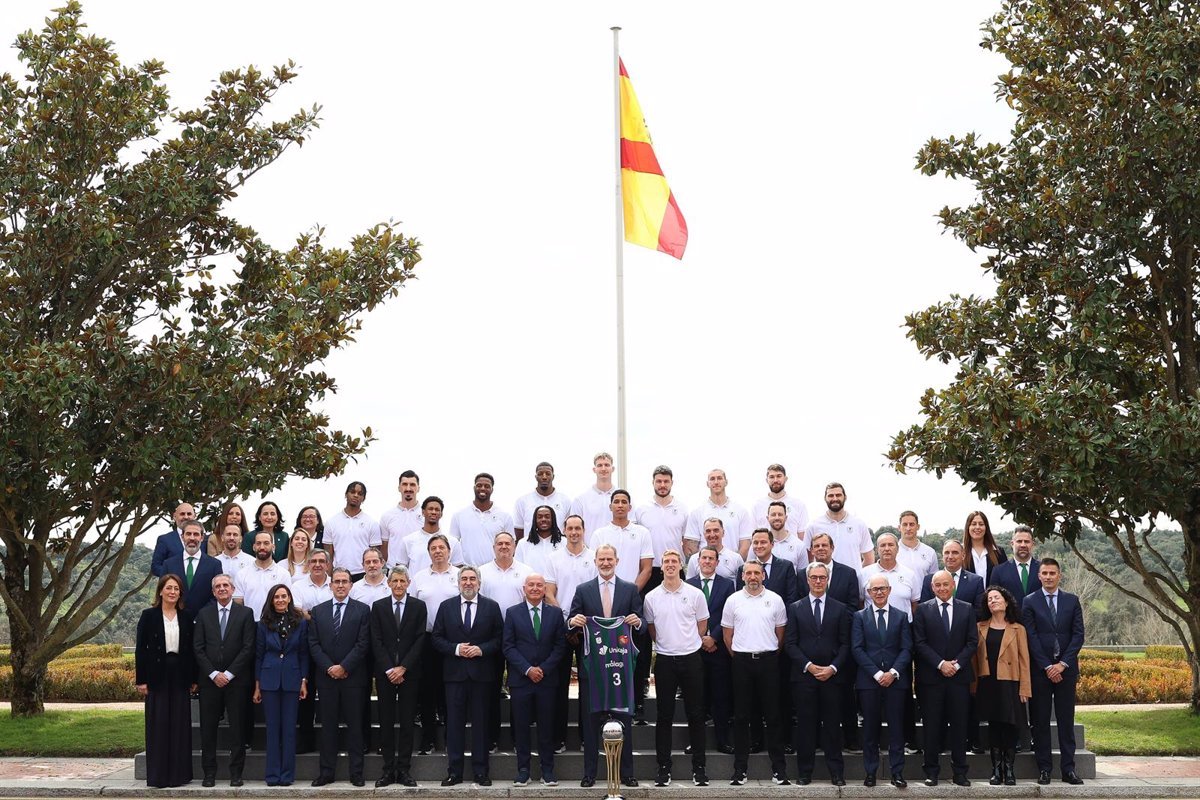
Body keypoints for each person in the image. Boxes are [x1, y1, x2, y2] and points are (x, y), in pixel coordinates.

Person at [567, 544, 643, 789]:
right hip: (593, 669)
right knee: (591, 724)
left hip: (621, 669)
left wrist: (637, 621)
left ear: (617, 560)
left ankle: (627, 773)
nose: (606, 563)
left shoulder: (630, 589)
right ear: (595, 561)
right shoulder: (583, 589)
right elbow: (572, 622)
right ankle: (590, 773)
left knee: (624, 722)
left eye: (610, 559)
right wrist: (573, 621)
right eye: (602, 559)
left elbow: (640, 622)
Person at [431, 566, 505, 787]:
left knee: (481, 725)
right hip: (454, 676)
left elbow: (499, 638)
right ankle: (455, 772)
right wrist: (456, 649)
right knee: (454, 725)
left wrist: (481, 649)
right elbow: (436, 638)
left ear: (479, 583)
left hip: (481, 676)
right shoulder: (446, 607)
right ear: (458, 583)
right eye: (464, 579)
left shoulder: (492, 607)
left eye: (473, 579)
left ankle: (481, 771)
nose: (468, 582)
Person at [644, 549, 709, 787]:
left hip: (691, 659)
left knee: (696, 714)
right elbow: (652, 628)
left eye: (674, 561)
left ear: (680, 565)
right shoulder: (651, 597)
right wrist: (668, 644)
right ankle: (663, 768)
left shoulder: (695, 594)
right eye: (666, 561)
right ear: (661, 567)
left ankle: (699, 768)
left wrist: (688, 643)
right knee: (664, 716)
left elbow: (702, 625)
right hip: (664, 661)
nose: (670, 565)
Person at [587, 488, 653, 721]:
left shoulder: (642, 532)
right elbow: (594, 565)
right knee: (606, 657)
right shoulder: (599, 534)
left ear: (630, 506)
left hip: (629, 598)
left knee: (634, 655)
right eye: (616, 501)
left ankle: (636, 704)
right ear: (611, 506)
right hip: (604, 602)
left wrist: (629, 592)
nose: (620, 505)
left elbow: (646, 567)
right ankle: (605, 705)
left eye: (625, 501)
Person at [722, 560, 788, 786]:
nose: (752, 576)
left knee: (773, 716)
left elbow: (780, 635)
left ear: (763, 575)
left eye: (756, 573)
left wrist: (767, 654)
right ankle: (740, 770)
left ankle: (779, 769)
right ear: (742, 577)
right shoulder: (733, 600)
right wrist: (741, 656)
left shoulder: (776, 600)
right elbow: (727, 636)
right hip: (741, 662)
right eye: (748, 573)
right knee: (741, 717)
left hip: (769, 661)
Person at [785, 561, 851, 787]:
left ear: (828, 580)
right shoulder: (795, 608)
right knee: (805, 726)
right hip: (804, 678)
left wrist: (832, 668)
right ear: (807, 580)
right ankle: (804, 772)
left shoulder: (840, 608)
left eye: (822, 577)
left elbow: (845, 644)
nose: (818, 581)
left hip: (832, 678)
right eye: (814, 577)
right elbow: (790, 644)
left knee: (833, 726)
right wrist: (810, 666)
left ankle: (837, 772)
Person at [1022, 557, 1085, 786]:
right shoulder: (1029, 601)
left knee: (1066, 721)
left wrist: (1062, 664)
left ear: (1059, 575)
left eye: (1052, 573)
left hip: (1066, 671)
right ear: (1038, 576)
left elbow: (1078, 635)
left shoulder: (1072, 601)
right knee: (1040, 722)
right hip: (1041, 671)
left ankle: (1069, 769)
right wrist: (1048, 666)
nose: (1048, 577)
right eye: (1044, 573)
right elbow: (1030, 636)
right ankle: (1044, 769)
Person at [913, 569, 978, 787]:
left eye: (945, 584)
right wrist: (941, 664)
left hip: (959, 679)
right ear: (932, 587)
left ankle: (960, 772)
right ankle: (931, 771)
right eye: (937, 585)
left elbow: (972, 642)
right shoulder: (922, 610)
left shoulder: (967, 609)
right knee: (932, 727)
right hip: (931, 679)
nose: (941, 588)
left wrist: (956, 664)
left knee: (959, 727)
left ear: (953, 586)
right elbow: (919, 643)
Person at [308, 568, 372, 787]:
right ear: (330, 585)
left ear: (351, 585)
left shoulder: (363, 610)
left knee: (355, 727)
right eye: (337, 581)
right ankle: (326, 772)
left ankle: (356, 773)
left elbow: (363, 643)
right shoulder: (318, 611)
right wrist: (330, 667)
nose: (341, 585)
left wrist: (344, 666)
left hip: (353, 678)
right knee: (328, 728)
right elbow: (313, 644)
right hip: (326, 679)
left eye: (345, 581)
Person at [503, 573, 568, 787]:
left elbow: (560, 647)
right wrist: (528, 669)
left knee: (546, 727)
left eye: (539, 585)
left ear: (544, 589)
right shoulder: (512, 613)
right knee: (521, 727)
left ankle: (547, 770)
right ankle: (523, 770)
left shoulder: (556, 614)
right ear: (524, 588)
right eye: (531, 585)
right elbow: (508, 646)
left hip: (547, 680)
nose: (535, 588)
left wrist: (543, 669)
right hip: (521, 680)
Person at [193, 573, 256, 787]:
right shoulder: (203, 614)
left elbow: (248, 647)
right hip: (209, 681)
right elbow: (198, 648)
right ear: (213, 591)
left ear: (232, 589)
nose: (222, 589)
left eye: (225, 585)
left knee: (237, 729)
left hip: (237, 681)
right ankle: (209, 773)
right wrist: (213, 674)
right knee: (208, 729)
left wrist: (228, 674)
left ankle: (236, 773)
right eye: (218, 586)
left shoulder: (245, 614)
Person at [136, 573, 196, 788]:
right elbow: (141, 650)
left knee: (180, 725)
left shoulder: (187, 616)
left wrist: (193, 678)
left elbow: (191, 650)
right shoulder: (148, 616)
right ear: (160, 591)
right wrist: (141, 680)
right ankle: (159, 776)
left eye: (176, 589)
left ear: (180, 593)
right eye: (169, 588)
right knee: (158, 724)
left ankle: (179, 775)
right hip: (156, 675)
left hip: (180, 674)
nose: (172, 592)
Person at [852, 575, 912, 788]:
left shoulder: (902, 616)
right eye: (874, 589)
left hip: (896, 682)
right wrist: (877, 674)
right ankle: (870, 772)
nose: (878, 592)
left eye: (882, 588)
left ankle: (897, 772)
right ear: (868, 592)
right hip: (869, 682)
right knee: (870, 729)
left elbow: (907, 648)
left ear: (889, 590)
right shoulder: (859, 617)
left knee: (897, 729)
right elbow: (857, 648)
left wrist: (893, 672)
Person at [369, 567, 427, 787]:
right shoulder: (379, 607)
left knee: (406, 722)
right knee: (385, 721)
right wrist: (389, 669)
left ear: (408, 582)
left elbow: (420, 640)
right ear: (389, 583)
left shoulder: (418, 607)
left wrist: (403, 668)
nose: (399, 584)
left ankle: (403, 769)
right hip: (385, 674)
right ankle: (387, 770)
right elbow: (376, 640)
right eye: (395, 580)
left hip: (409, 673)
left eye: (402, 580)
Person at [543, 514, 596, 753]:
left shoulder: (594, 557)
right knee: (558, 685)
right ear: (564, 531)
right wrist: (567, 620)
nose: (574, 532)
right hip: (562, 628)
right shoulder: (553, 558)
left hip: (588, 628)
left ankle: (588, 738)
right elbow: (549, 592)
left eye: (578, 528)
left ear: (584, 530)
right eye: (570, 528)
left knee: (589, 685)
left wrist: (581, 621)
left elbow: (596, 592)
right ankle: (558, 739)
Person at [478, 530, 534, 748]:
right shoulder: (482, 572)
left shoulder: (526, 571)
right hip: (489, 636)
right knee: (490, 689)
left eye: (507, 543)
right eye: (499, 543)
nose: (503, 547)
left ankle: (518, 738)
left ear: (514, 547)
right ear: (493, 547)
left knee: (519, 689)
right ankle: (491, 737)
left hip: (520, 638)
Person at [973, 585, 1032, 786]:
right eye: (989, 599)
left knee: (1010, 724)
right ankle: (996, 769)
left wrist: (1025, 687)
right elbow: (974, 659)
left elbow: (1025, 660)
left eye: (997, 598)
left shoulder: (1018, 628)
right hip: (988, 682)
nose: (993, 601)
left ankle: (1010, 769)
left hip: (1011, 682)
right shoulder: (980, 627)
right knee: (994, 725)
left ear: (1006, 602)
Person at [408, 534, 460, 754]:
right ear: (429, 552)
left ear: (449, 551)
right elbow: (411, 608)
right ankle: (428, 739)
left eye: (442, 547)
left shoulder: (459, 575)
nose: (438, 551)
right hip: (426, 639)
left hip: (453, 640)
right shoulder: (419, 577)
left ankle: (451, 739)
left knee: (451, 691)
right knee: (427, 691)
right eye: (433, 548)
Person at [253, 583, 309, 787]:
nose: (280, 600)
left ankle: (287, 775)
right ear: (271, 600)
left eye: (284, 596)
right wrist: (257, 685)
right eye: (276, 597)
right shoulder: (263, 623)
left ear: (289, 598)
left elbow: (304, 653)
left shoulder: (300, 622)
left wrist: (304, 681)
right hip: (269, 681)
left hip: (293, 679)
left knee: (289, 730)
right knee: (272, 729)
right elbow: (258, 655)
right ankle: (272, 775)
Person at [686, 546, 736, 755]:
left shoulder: (727, 586)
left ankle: (722, 741)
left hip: (718, 649)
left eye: (711, 558)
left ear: (717, 562)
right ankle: (695, 743)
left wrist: (713, 637)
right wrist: (700, 639)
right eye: (703, 558)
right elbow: (686, 617)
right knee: (696, 699)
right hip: (694, 649)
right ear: (698, 561)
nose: (707, 561)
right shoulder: (688, 585)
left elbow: (728, 615)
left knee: (720, 697)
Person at [632, 465, 689, 594]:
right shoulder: (641, 510)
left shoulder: (683, 509)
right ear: (653, 483)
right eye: (659, 481)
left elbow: (686, 542)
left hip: (675, 569)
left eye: (666, 481)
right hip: (649, 571)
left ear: (672, 483)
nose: (662, 485)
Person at [805, 482, 874, 576]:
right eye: (830, 496)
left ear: (845, 497)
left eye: (838, 495)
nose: (834, 499)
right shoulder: (813, 526)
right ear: (825, 498)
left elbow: (869, 559)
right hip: (823, 585)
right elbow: (808, 560)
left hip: (852, 584)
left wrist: (858, 577)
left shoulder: (859, 524)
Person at [684, 468, 753, 559]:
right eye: (712, 479)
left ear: (726, 482)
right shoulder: (697, 512)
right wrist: (704, 565)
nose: (716, 482)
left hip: (732, 568)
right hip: (706, 567)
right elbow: (692, 546)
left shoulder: (741, 511)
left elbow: (745, 544)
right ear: (707, 484)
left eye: (719, 478)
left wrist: (735, 565)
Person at [450, 473, 513, 568]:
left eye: (487, 486)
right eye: (479, 485)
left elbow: (511, 546)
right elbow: (453, 545)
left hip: (495, 570)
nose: (483, 488)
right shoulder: (459, 515)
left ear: (492, 489)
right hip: (467, 572)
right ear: (474, 488)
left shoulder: (504, 516)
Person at [324, 481, 382, 581]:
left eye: (360, 494)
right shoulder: (331, 522)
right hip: (339, 574)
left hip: (363, 574)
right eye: (352, 492)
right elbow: (328, 554)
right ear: (346, 494)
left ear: (363, 498)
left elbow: (374, 553)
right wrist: (329, 578)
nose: (356, 495)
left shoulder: (372, 523)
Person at [163, 520, 221, 613]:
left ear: (202, 537)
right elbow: (163, 592)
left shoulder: (214, 565)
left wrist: (203, 617)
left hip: (204, 621)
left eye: (196, 534)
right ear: (182, 537)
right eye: (188, 534)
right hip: (175, 618)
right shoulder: (168, 564)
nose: (192, 538)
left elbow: (217, 594)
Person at [859, 532, 919, 619]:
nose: (887, 549)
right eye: (883, 545)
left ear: (898, 549)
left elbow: (915, 604)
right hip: (871, 628)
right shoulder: (863, 574)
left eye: (890, 545)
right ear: (877, 550)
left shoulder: (910, 574)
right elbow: (860, 602)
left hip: (904, 628)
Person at [234, 531, 291, 621]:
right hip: (250, 624)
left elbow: (287, 602)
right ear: (254, 547)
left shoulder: (283, 574)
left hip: (275, 624)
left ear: (273, 547)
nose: (262, 547)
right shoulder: (242, 574)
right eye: (258, 543)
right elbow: (238, 604)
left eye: (266, 543)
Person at [399, 496, 464, 572]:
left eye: (437, 510)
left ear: (441, 514)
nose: (433, 512)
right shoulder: (408, 541)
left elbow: (459, 572)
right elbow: (399, 572)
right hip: (416, 584)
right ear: (423, 512)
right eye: (430, 509)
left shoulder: (453, 542)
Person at [919, 539, 986, 610]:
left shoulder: (975, 581)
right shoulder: (929, 580)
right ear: (943, 556)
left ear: (963, 556)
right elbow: (924, 610)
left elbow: (979, 610)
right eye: (947, 553)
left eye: (955, 553)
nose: (950, 557)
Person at [513, 461, 573, 539]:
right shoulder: (522, 501)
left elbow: (569, 529)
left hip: (558, 548)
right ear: (536, 477)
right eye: (540, 474)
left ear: (553, 476)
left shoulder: (565, 500)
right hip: (531, 548)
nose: (544, 477)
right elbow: (519, 530)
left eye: (548, 474)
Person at [740, 528, 799, 604]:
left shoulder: (786, 567)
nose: (759, 546)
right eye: (755, 542)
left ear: (772, 544)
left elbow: (791, 598)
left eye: (763, 542)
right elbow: (740, 597)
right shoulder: (743, 569)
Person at [752, 464, 810, 539]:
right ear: (767, 480)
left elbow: (802, 536)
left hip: (791, 550)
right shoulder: (757, 506)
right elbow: (752, 535)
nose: (775, 480)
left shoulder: (798, 505)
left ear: (785, 479)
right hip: (766, 550)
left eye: (779, 476)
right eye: (772, 477)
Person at [991, 524, 1040, 613]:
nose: (1023, 545)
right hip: (1010, 623)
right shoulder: (998, 571)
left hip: (1038, 624)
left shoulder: (1043, 570)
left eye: (1027, 541)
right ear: (1012, 544)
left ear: (1032, 544)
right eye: (1019, 541)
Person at [379, 470, 421, 565]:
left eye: (412, 485)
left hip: (419, 570)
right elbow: (384, 548)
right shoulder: (387, 516)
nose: (408, 488)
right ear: (399, 488)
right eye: (405, 484)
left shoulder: (427, 515)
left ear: (418, 488)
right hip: (394, 571)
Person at [570, 452, 617, 536]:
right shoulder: (581, 500)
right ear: (594, 469)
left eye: (607, 465)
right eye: (599, 465)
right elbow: (574, 529)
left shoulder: (624, 499)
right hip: (591, 549)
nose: (603, 468)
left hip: (617, 548)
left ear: (612, 469)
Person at [514, 504, 564, 575]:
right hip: (532, 585)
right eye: (540, 517)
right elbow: (518, 569)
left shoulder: (564, 542)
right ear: (535, 520)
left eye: (547, 517)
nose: (543, 519)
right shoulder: (523, 543)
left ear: (553, 519)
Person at [962, 510, 1008, 586]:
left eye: (981, 524)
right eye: (973, 524)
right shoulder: (960, 552)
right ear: (968, 527)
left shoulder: (998, 552)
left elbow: (1005, 578)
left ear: (986, 527)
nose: (977, 527)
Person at [151, 502, 197, 577]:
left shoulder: (204, 540)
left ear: (194, 516)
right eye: (182, 514)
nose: (186, 517)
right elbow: (155, 567)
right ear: (174, 516)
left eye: (189, 514)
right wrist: (173, 576)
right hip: (174, 586)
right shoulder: (165, 540)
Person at [765, 500, 809, 573]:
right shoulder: (758, 545)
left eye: (780, 514)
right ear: (767, 518)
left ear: (786, 517)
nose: (777, 518)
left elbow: (803, 577)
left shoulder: (799, 545)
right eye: (773, 514)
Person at [895, 510, 938, 580]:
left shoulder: (930, 552)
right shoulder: (892, 552)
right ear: (899, 527)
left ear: (918, 527)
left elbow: (935, 581)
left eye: (911, 524)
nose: (908, 528)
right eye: (905, 524)